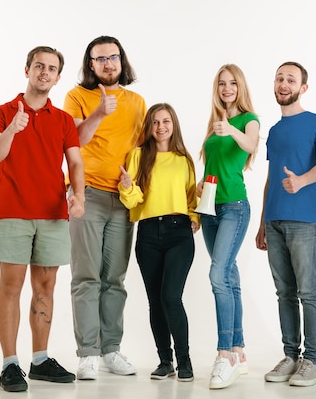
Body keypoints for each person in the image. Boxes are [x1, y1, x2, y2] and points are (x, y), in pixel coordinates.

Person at [0, 46, 85, 392]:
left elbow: (75, 162)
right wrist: (13, 128)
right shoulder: (0, 113)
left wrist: (79, 195)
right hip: (13, 212)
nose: (45, 72)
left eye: (52, 68)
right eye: (39, 66)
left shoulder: (63, 121)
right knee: (10, 287)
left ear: (57, 77)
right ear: (27, 69)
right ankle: (9, 364)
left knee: (46, 287)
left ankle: (39, 360)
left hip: (53, 214)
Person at [63, 36, 147, 379]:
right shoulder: (77, 97)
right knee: (86, 276)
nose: (108, 63)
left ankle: (111, 349)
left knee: (114, 278)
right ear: (91, 64)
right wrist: (99, 111)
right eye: (101, 59)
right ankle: (88, 353)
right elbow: (74, 141)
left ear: (121, 62)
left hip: (122, 198)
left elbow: (143, 151)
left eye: (114, 57)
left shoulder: (137, 101)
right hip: (88, 194)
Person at [255, 62, 316, 387]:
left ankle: (311, 361)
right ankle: (291, 356)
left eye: (291, 79)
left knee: (308, 291)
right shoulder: (273, 131)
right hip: (274, 221)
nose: (283, 83)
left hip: (304, 222)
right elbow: (270, 180)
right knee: (284, 292)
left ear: (303, 88)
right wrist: (262, 223)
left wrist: (301, 181)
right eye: (279, 78)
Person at [118, 103, 199, 382]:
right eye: (155, 122)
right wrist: (127, 185)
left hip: (179, 233)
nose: (161, 127)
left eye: (166, 121)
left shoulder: (183, 158)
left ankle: (184, 360)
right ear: (149, 127)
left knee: (171, 297)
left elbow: (192, 198)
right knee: (155, 300)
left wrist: (194, 217)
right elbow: (132, 201)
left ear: (174, 124)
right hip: (149, 233)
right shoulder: (138, 156)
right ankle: (165, 361)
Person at [198, 64, 260, 389]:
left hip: (235, 207)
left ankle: (223, 354)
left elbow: (251, 146)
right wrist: (198, 189)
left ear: (240, 87)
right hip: (210, 208)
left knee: (217, 274)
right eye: (222, 84)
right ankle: (238, 350)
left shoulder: (247, 121)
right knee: (229, 275)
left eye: (232, 83)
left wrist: (230, 130)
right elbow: (213, 166)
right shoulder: (214, 125)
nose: (226, 88)